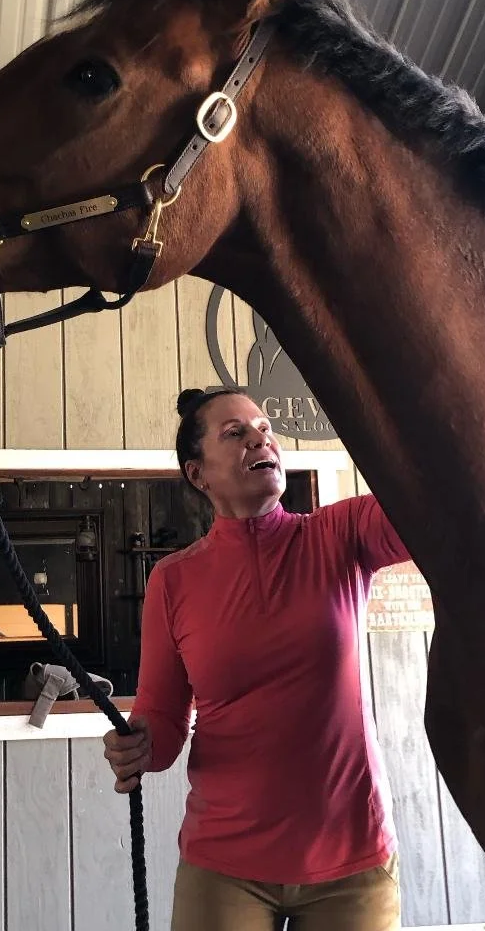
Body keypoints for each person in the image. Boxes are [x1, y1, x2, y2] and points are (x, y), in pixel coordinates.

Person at [103, 388, 409, 931]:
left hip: (351, 860)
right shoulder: (173, 581)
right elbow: (166, 721)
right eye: (234, 433)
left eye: (263, 427)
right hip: (225, 866)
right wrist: (142, 745)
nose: (259, 438)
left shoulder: (341, 534)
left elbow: (427, 509)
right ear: (198, 475)